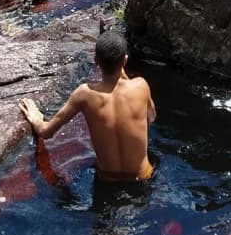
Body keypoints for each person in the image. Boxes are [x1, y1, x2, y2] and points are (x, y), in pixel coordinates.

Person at [19, 27, 156, 182]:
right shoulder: (141, 86)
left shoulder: (85, 94)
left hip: (107, 181)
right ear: (125, 60)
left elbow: (47, 132)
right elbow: (151, 118)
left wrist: (36, 119)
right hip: (143, 178)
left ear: (96, 60)